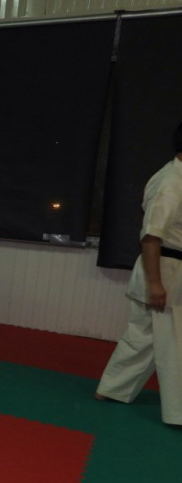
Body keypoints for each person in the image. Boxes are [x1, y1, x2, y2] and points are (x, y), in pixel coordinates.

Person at [95, 122, 182, 427]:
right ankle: (177, 412)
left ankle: (113, 388)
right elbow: (151, 237)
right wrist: (155, 283)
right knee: (173, 343)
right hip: (164, 270)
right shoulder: (172, 182)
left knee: (144, 336)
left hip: (167, 269)